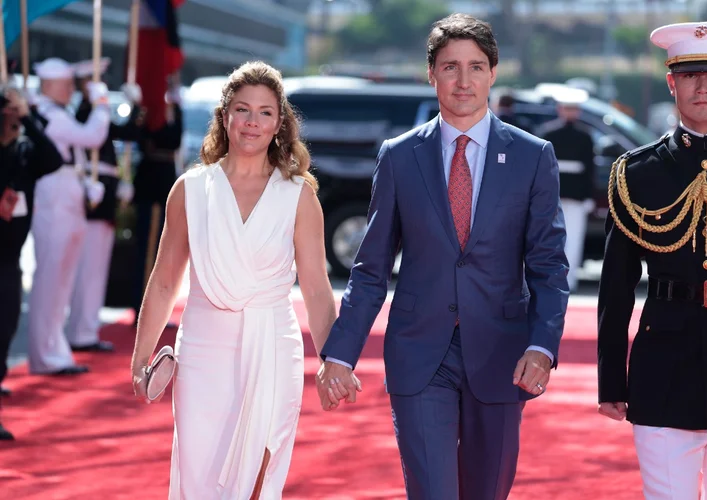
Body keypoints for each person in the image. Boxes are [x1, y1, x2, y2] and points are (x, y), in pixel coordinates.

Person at [318, 13, 569, 500]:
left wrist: (543, 347)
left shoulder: (532, 156)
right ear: (430, 74)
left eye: (476, 67)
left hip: (503, 353)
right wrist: (339, 353)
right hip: (419, 352)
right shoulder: (398, 156)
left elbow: (549, 266)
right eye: (450, 66)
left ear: (493, 73)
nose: (463, 80)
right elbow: (370, 270)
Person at [130, 61, 339, 499]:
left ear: (280, 123)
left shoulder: (298, 194)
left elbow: (318, 289)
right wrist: (140, 356)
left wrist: (333, 359)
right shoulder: (191, 188)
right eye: (243, 109)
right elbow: (166, 279)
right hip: (204, 347)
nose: (252, 122)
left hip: (273, 346)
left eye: (265, 112)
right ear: (224, 116)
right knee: (200, 473)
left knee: (258, 476)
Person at [598, 21, 707, 499]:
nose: (702, 86)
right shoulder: (636, 173)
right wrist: (610, 380)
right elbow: (616, 286)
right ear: (671, 82)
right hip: (665, 364)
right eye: (689, 75)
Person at [26, 58, 109, 375]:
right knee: (51, 278)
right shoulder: (48, 114)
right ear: (49, 86)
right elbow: (91, 137)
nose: (71, 90)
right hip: (53, 201)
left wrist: (85, 184)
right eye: (67, 84)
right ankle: (44, 355)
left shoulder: (56, 112)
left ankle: (54, 351)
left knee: (62, 281)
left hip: (66, 195)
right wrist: (102, 104)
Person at [66, 58, 143, 352]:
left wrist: (135, 107)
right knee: (88, 267)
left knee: (95, 268)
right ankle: (81, 331)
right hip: (93, 195)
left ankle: (85, 328)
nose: (100, 84)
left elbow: (126, 134)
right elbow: (95, 136)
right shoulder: (86, 111)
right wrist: (99, 101)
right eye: (94, 80)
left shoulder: (95, 112)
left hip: (105, 192)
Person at [0, 88, 64, 440]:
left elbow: (53, 158)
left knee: (4, 332)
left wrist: (26, 116)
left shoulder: (25, 152)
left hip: (8, 262)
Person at [130, 83, 183, 324]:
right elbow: (166, 139)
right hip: (153, 187)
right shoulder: (151, 114)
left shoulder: (167, 112)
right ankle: (144, 307)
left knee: (163, 253)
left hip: (161, 187)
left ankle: (155, 308)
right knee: (150, 250)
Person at [538, 88, 596, 292]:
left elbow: (589, 169)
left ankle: (568, 280)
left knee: (573, 240)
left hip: (576, 197)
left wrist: (588, 196)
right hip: (554, 196)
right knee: (552, 240)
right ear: (560, 109)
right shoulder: (547, 133)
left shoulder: (584, 136)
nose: (571, 112)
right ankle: (552, 278)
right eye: (567, 108)